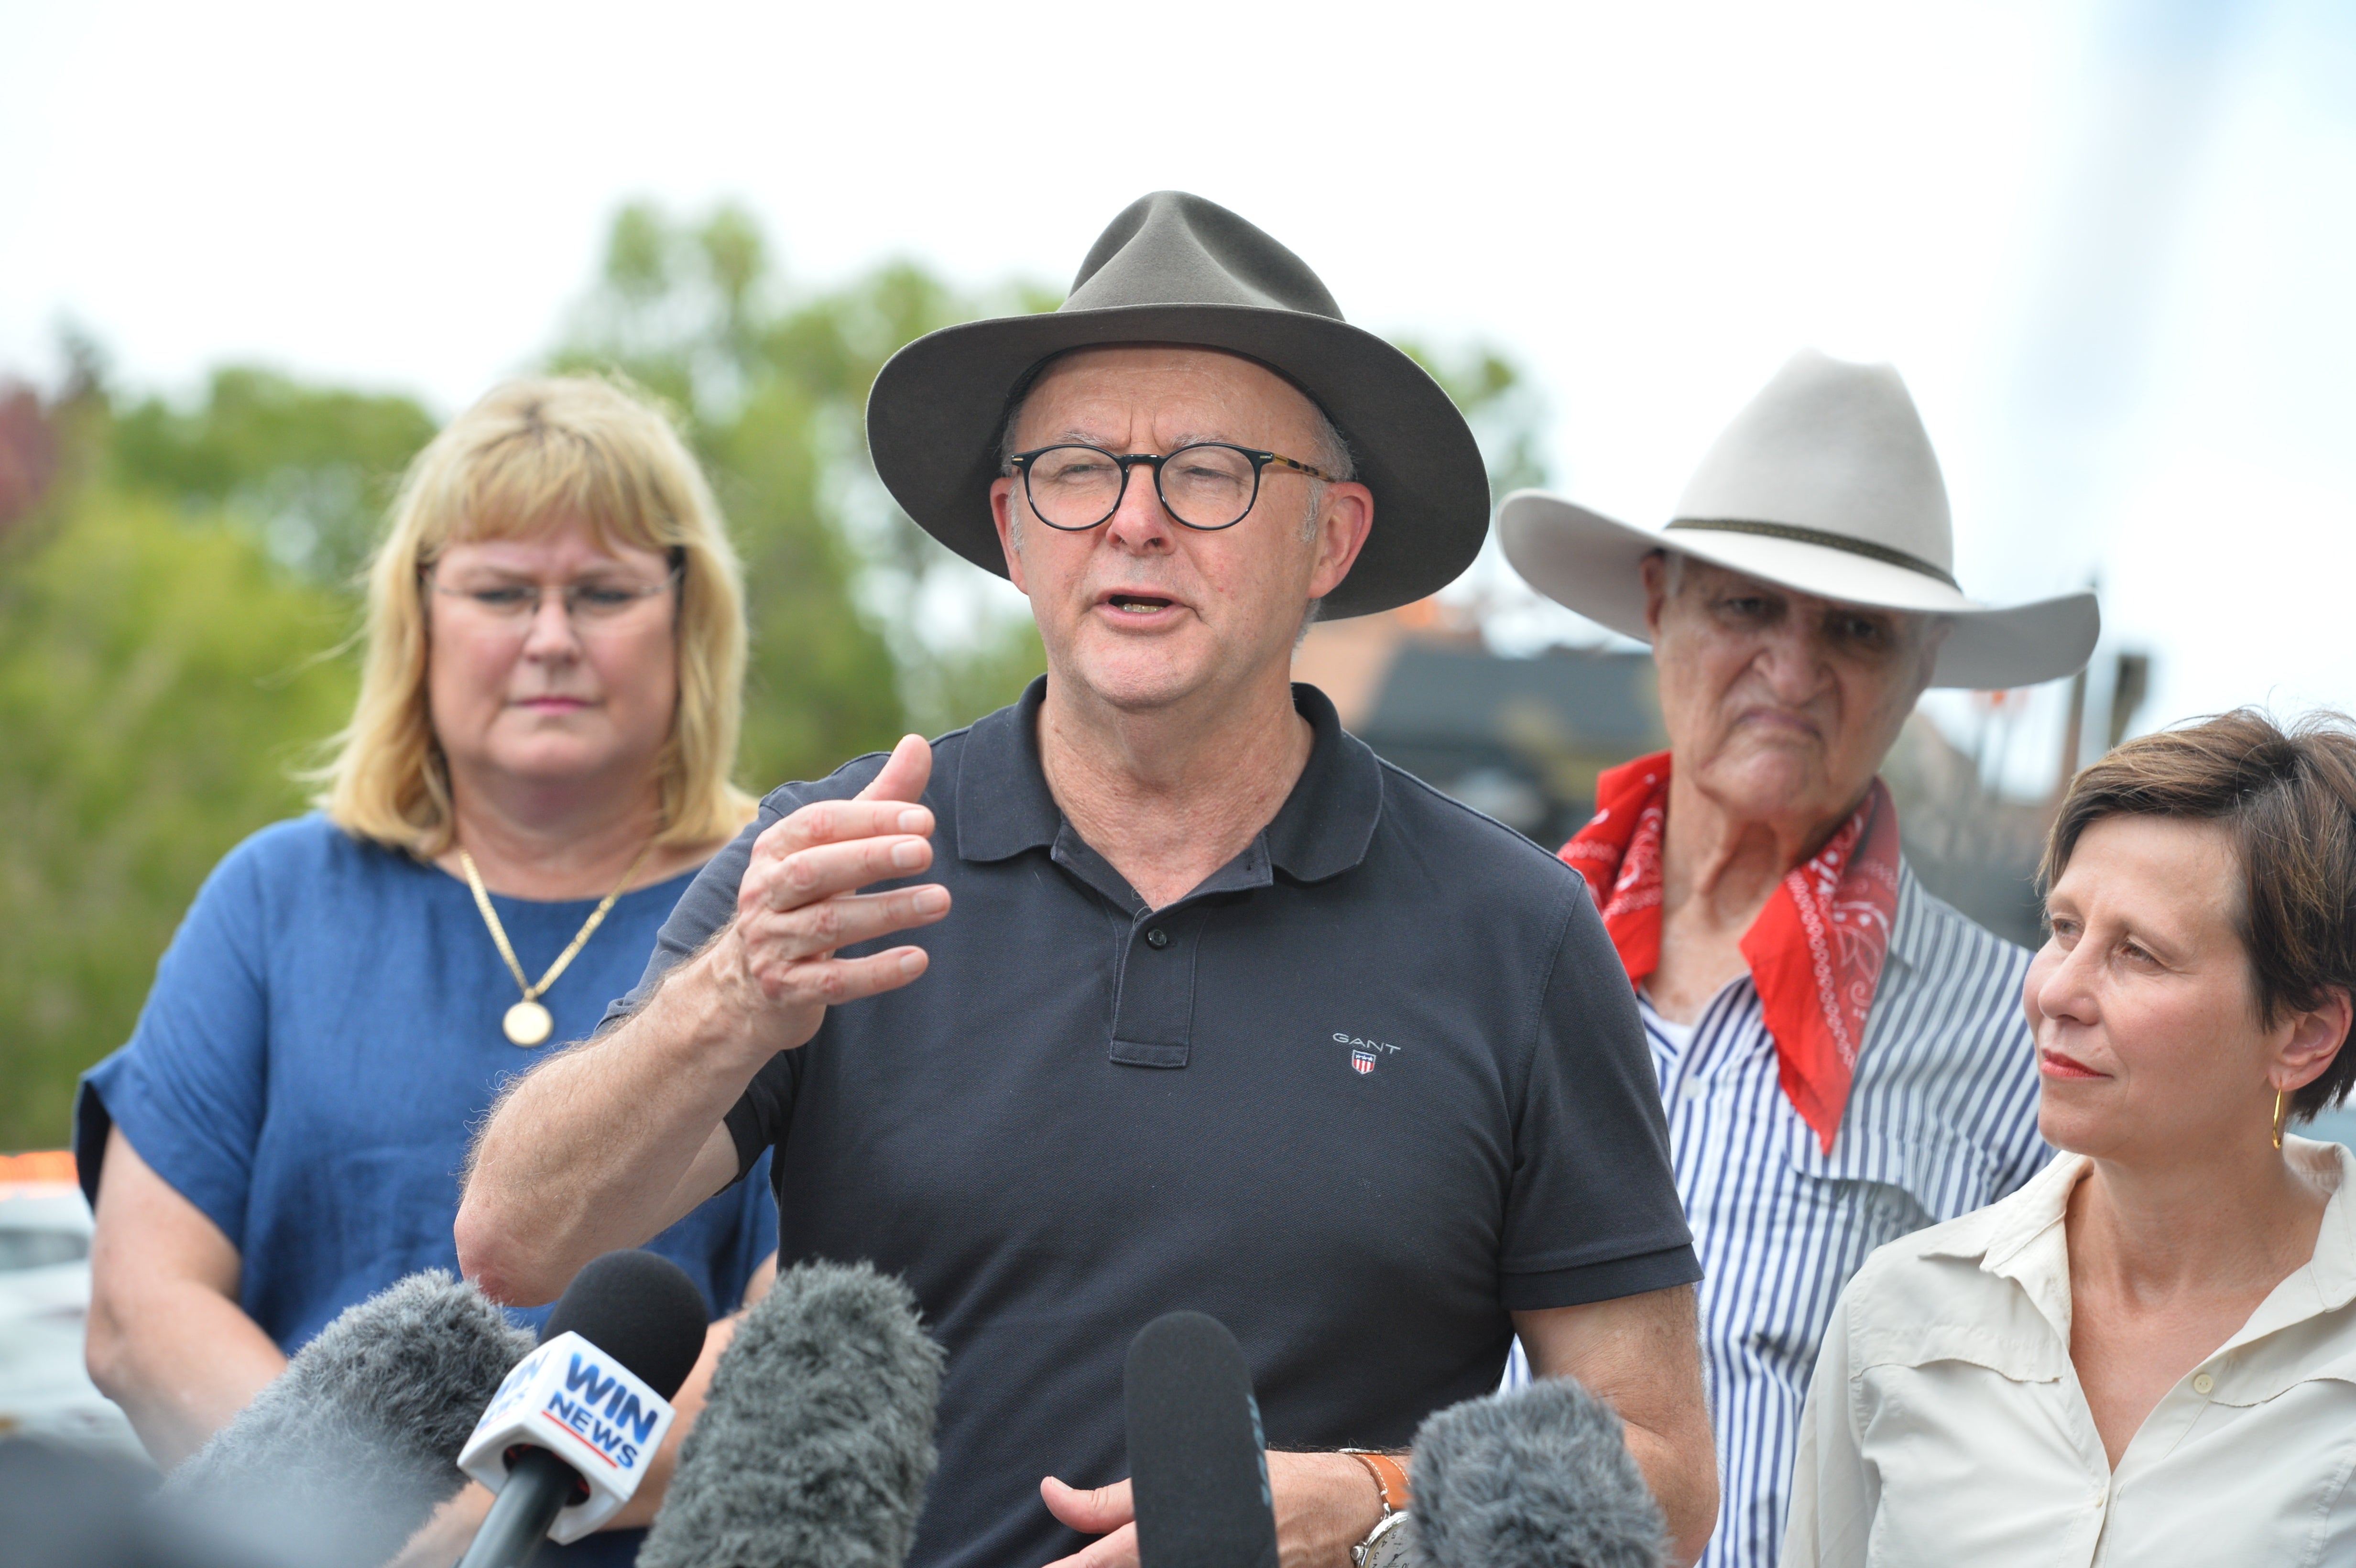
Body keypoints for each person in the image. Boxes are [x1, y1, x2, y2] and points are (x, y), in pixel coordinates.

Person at [458, 191, 1716, 1568]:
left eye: (1211, 472)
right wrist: (729, 999)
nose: (1134, 521)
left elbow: (1663, 1474)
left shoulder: (1516, 931)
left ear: (1333, 538)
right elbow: (519, 1241)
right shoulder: (839, 858)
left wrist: (1368, 1508)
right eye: (1078, 469)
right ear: (1013, 527)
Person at [75, 376, 780, 1566]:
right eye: (502, 591)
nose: (550, 637)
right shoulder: (273, 900)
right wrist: (332, 1521)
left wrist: (462, 1522)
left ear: (686, 617)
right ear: (421, 616)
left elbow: (794, 1337)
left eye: (602, 592)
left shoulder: (781, 911)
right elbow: (140, 1313)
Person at [1496, 350, 2101, 1568]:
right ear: (1660, 603)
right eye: (1746, 607)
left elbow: (2071, 1450)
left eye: (1855, 629)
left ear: (1920, 668)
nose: (1791, 667)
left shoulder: (2020, 1034)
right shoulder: (1493, 954)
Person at [1786, 709, 2356, 1563]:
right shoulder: (1899, 1312)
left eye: (2139, 954)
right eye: (2063, 928)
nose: (2058, 992)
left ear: (2304, 1035)